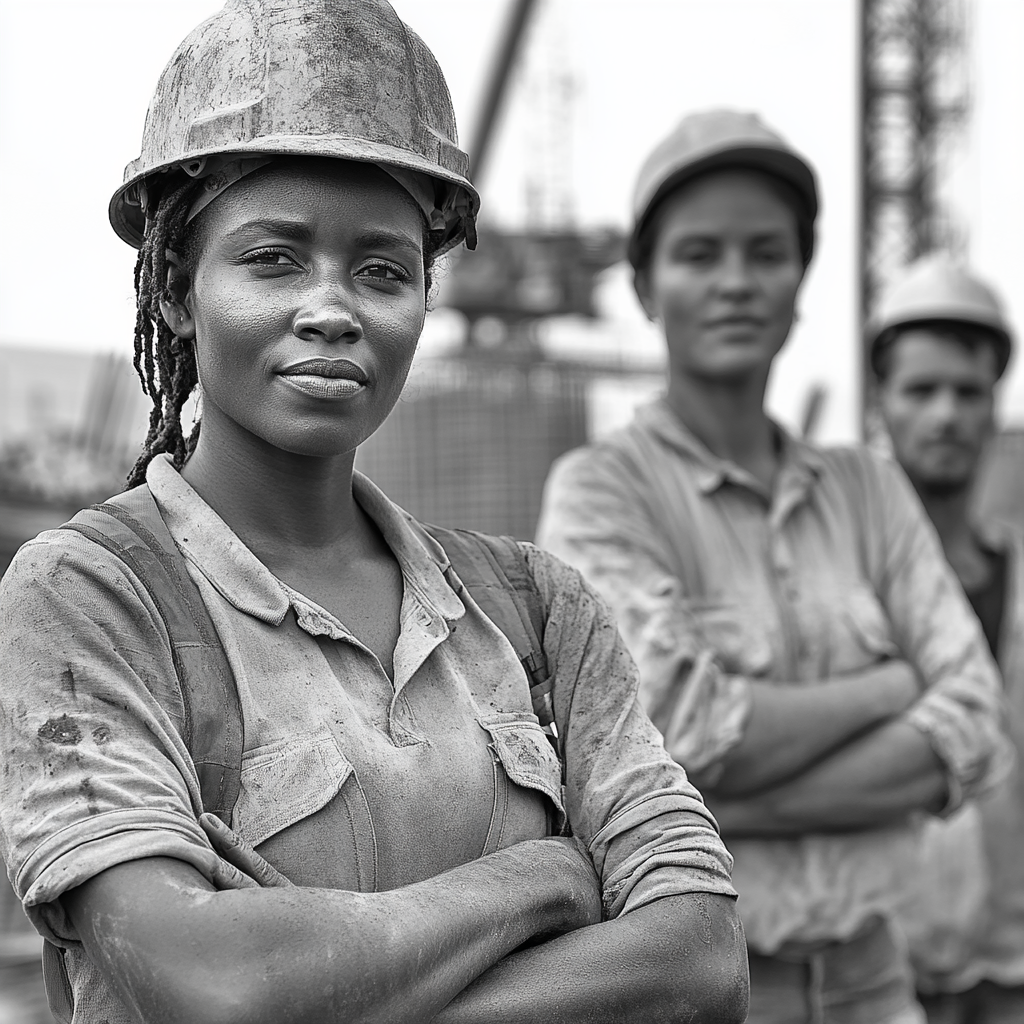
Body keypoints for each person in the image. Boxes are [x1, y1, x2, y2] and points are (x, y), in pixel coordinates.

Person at [0, 5, 747, 1023]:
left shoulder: (533, 605)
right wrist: (541, 878)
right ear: (176, 291)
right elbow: (218, 986)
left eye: (383, 270)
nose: (332, 306)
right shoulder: (88, 596)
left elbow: (701, 962)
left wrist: (331, 980)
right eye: (272, 258)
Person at [535, 109, 1012, 1024]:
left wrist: (727, 800)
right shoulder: (602, 495)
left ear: (801, 282)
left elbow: (976, 721)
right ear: (644, 286)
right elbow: (670, 740)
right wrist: (892, 687)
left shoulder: (868, 488)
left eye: (765, 253)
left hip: (879, 982)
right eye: (699, 254)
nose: (736, 283)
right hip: (713, 989)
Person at [873, 255, 1024, 1024]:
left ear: (996, 406)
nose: (946, 415)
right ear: (883, 406)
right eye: (921, 390)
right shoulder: (843, 593)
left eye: (968, 393)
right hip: (879, 972)